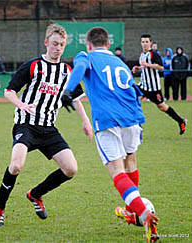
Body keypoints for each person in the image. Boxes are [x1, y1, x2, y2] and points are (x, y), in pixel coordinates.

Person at [61, 27, 159, 242]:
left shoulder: (85, 56)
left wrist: (68, 90)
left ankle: (144, 214)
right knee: (130, 164)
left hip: (106, 120)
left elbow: (79, 67)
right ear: (107, 44)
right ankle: (131, 211)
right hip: (132, 118)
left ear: (89, 44)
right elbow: (135, 90)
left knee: (117, 172)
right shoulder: (119, 61)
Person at [0, 24, 93, 227]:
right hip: (26, 125)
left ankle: (36, 194)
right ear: (47, 42)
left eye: (62, 45)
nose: (58, 48)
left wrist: (85, 121)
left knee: (71, 169)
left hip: (48, 128)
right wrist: (22, 105)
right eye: (55, 44)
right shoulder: (33, 65)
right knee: (16, 165)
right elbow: (9, 91)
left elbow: (75, 98)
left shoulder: (66, 70)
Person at [132, 34, 187, 135]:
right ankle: (135, 126)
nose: (144, 44)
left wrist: (147, 65)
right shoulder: (142, 54)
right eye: (143, 42)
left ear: (150, 43)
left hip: (153, 87)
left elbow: (161, 67)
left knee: (162, 106)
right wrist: (138, 68)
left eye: (146, 42)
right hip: (143, 85)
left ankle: (181, 121)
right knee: (132, 100)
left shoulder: (153, 54)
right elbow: (145, 67)